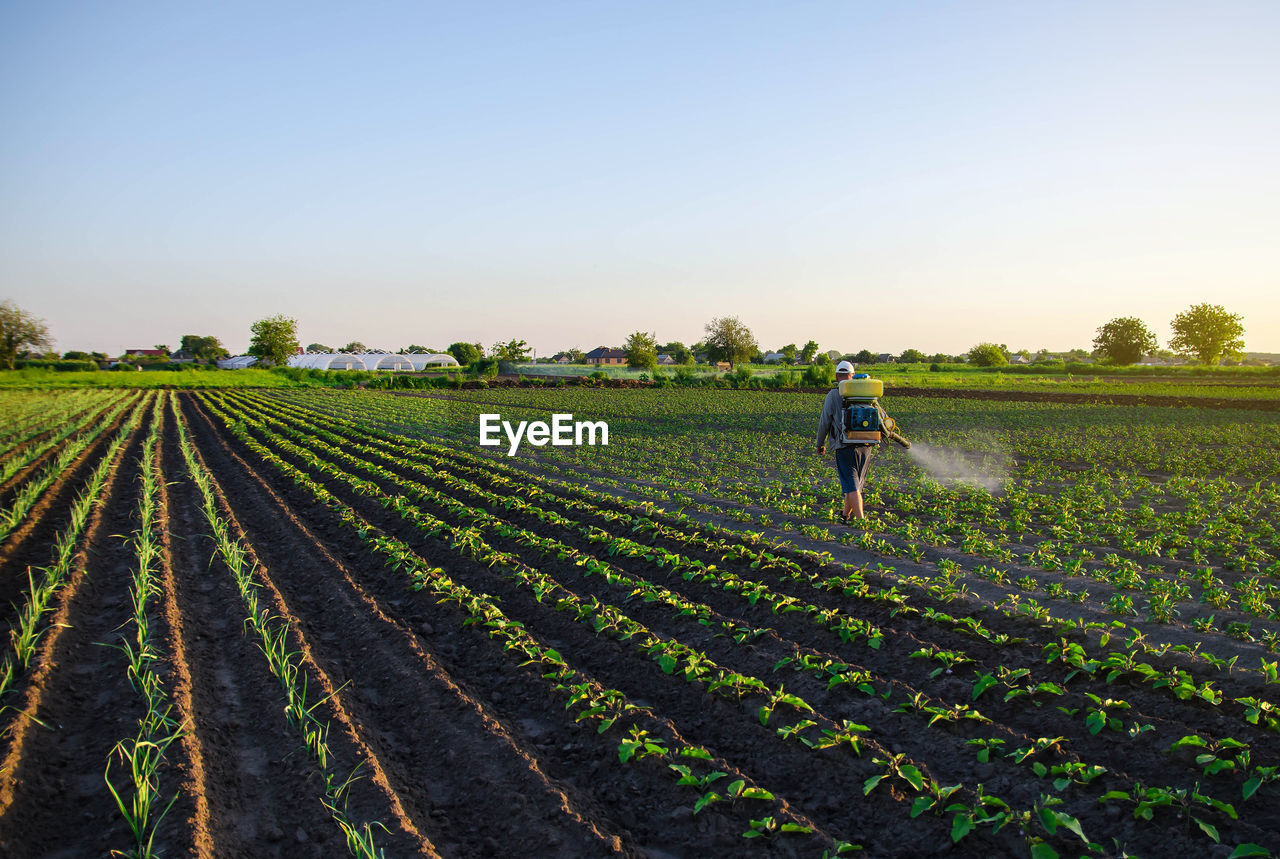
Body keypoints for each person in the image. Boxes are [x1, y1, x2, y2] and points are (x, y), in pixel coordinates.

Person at [816, 360, 874, 521]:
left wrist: (820, 444)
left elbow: (824, 422)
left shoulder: (834, 394)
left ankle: (861, 521)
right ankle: (845, 515)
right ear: (853, 375)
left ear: (836, 376)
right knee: (854, 483)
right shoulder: (866, 393)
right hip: (866, 445)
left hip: (845, 445)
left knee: (851, 484)